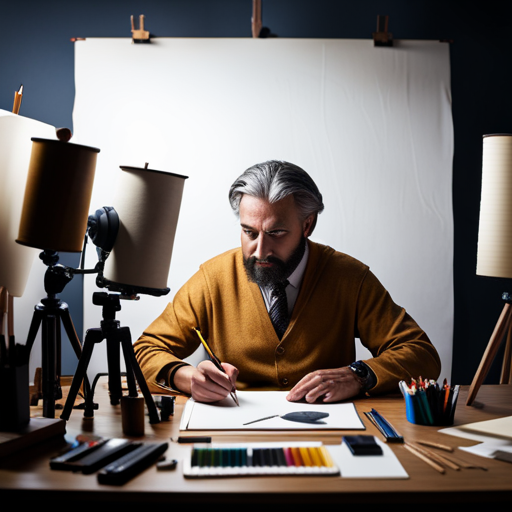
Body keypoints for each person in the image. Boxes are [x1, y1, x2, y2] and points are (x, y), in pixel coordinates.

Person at [134, 160, 441, 404]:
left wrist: (359, 375)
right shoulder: (212, 278)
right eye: (249, 232)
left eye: (276, 233)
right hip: (235, 429)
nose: (260, 250)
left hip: (327, 433)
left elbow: (421, 354)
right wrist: (183, 376)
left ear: (308, 224)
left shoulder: (350, 278)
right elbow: (145, 349)